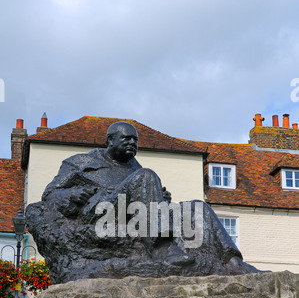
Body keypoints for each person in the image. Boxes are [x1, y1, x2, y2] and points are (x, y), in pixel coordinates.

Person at [26, 122, 257, 284]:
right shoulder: (82, 162)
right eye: (126, 138)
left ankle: (232, 261)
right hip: (100, 213)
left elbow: (144, 196)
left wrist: (161, 200)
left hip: (132, 214)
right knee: (146, 176)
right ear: (110, 140)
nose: (132, 143)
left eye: (135, 140)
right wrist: (73, 196)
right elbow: (50, 195)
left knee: (198, 207)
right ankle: (162, 249)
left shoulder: (134, 167)